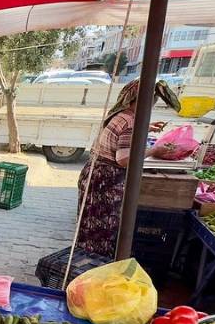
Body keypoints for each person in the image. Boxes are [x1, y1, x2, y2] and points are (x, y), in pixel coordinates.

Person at [76, 79, 180, 257]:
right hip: (105, 182)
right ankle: (95, 269)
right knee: (101, 232)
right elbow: (124, 159)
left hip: (95, 174)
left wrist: (145, 128)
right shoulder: (130, 122)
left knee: (90, 229)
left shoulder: (121, 114)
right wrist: (154, 150)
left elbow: (120, 136)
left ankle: (86, 263)